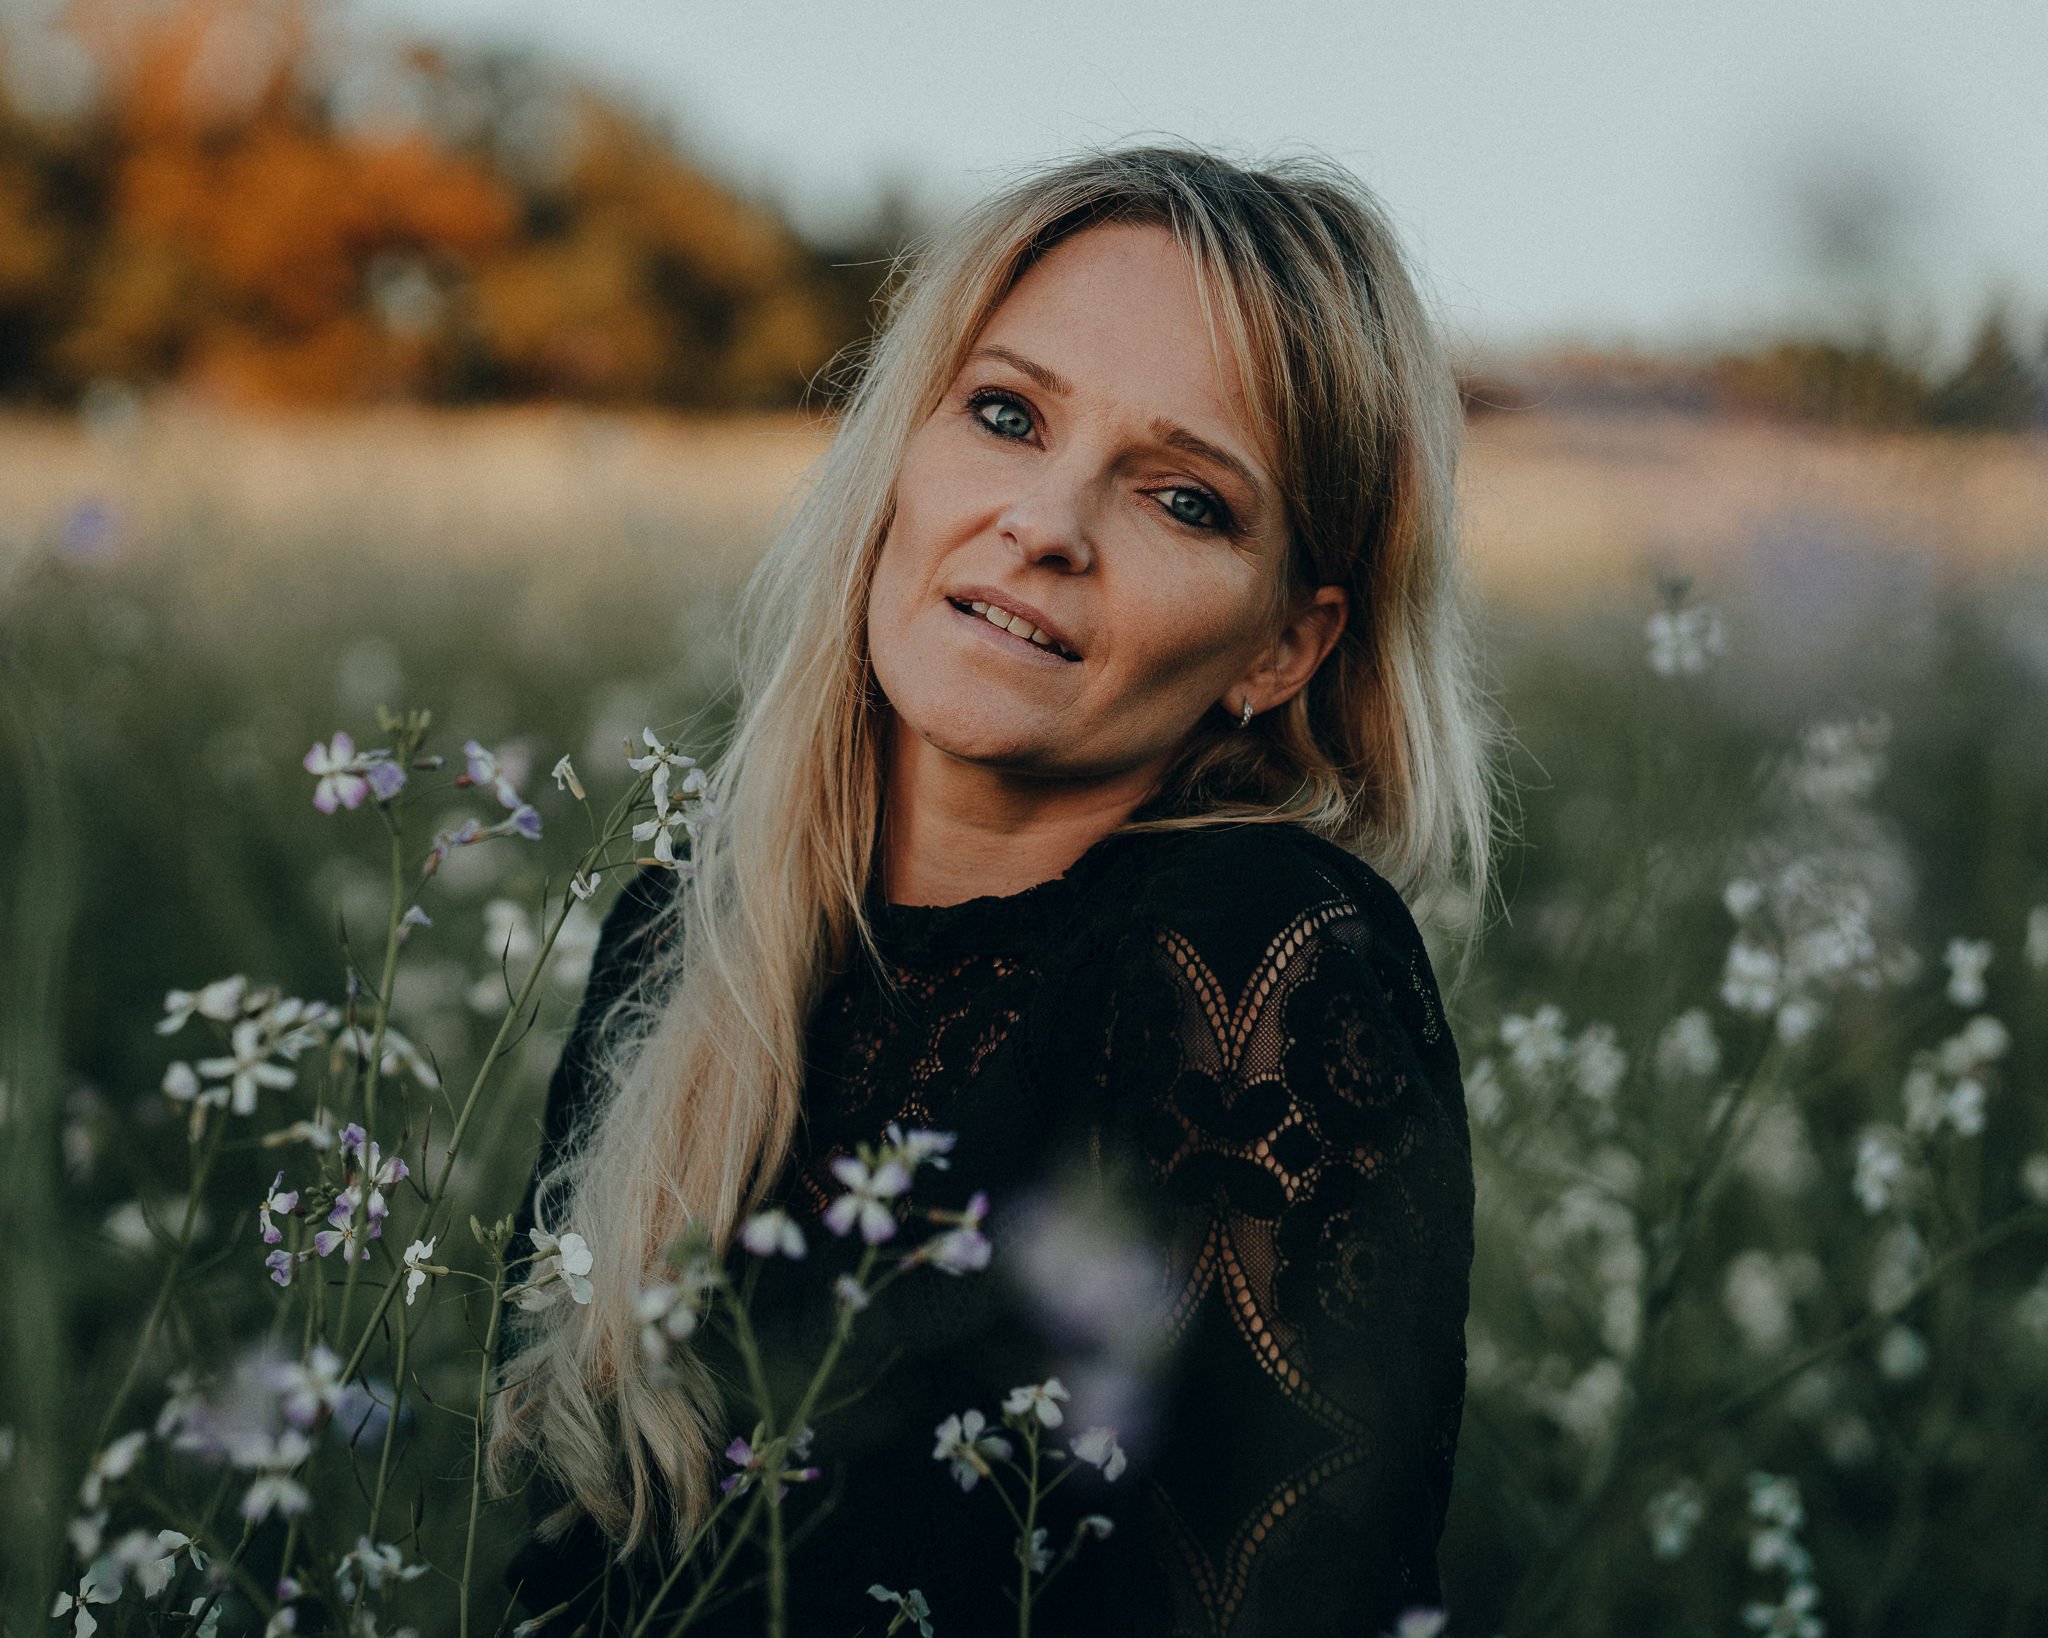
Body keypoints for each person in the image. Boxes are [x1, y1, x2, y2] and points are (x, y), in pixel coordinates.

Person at [491, 143, 1499, 1638]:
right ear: (903, 447)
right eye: (1009, 415)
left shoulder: (1250, 961)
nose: (1047, 524)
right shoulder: (678, 935)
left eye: (1184, 500)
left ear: (1284, 647)